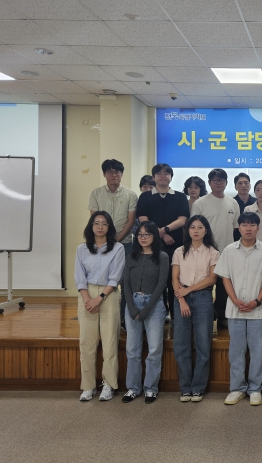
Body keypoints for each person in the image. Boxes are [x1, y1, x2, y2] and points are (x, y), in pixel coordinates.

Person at [215, 213, 262, 406]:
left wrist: (257, 301)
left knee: (257, 351)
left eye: (252, 225)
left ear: (258, 227)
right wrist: (234, 300)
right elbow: (225, 278)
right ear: (238, 227)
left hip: (257, 310)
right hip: (235, 309)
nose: (248, 228)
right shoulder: (229, 250)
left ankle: (255, 389)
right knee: (236, 351)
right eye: (245, 225)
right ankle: (237, 388)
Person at [74, 211, 125, 402]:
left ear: (109, 227)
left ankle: (109, 385)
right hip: (86, 294)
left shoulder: (118, 248)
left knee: (110, 343)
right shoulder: (82, 249)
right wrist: (88, 299)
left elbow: (115, 277)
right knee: (86, 344)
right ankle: (88, 386)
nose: (100, 227)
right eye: (96, 223)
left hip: (108, 295)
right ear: (91, 226)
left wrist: (99, 298)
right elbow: (79, 277)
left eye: (104, 223)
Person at [171, 215, 220, 402]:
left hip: (203, 298)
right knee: (181, 344)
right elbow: (174, 278)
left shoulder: (213, 252)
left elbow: (212, 278)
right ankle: (185, 388)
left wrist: (189, 290)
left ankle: (198, 387)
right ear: (188, 230)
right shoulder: (179, 251)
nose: (196, 231)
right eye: (192, 227)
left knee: (203, 344)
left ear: (206, 230)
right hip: (180, 298)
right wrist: (181, 300)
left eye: (200, 227)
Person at [122, 220, 169, 404]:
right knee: (132, 350)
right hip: (132, 303)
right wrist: (132, 307)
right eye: (140, 235)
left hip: (154, 305)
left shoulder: (162, 257)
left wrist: (147, 308)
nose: (143, 238)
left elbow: (161, 284)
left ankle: (151, 388)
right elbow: (125, 284)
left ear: (154, 237)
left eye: (147, 234)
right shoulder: (131, 257)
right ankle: (133, 388)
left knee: (154, 349)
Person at [87, 159, 138, 329]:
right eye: (110, 171)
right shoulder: (96, 193)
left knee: (125, 283)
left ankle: (123, 319)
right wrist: (106, 241)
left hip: (125, 244)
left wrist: (115, 240)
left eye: (117, 172)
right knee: (103, 281)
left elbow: (131, 221)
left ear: (122, 174)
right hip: (101, 245)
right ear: (104, 174)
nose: (114, 175)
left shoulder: (131, 195)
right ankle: (104, 316)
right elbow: (95, 220)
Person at [136, 163, 190, 322]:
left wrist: (163, 230)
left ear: (171, 177)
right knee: (153, 281)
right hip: (151, 247)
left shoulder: (180, 197)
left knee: (174, 281)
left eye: (166, 173)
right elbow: (143, 219)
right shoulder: (145, 197)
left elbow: (182, 219)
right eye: (159, 173)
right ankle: (155, 317)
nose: (163, 175)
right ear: (154, 177)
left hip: (176, 246)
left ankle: (175, 317)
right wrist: (162, 234)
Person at [191, 169, 240, 329]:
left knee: (223, 286)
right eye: (215, 180)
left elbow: (236, 228)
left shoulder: (232, 203)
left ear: (226, 183)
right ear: (209, 183)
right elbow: (194, 228)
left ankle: (222, 316)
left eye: (221, 180)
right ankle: (204, 317)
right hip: (205, 250)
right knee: (205, 284)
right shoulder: (200, 203)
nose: (218, 183)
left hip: (227, 251)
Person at [233, 173, 256, 242]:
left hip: (254, 239)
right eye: (240, 183)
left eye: (246, 183)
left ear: (250, 186)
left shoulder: (256, 202)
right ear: (235, 187)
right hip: (235, 240)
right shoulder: (231, 202)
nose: (243, 185)